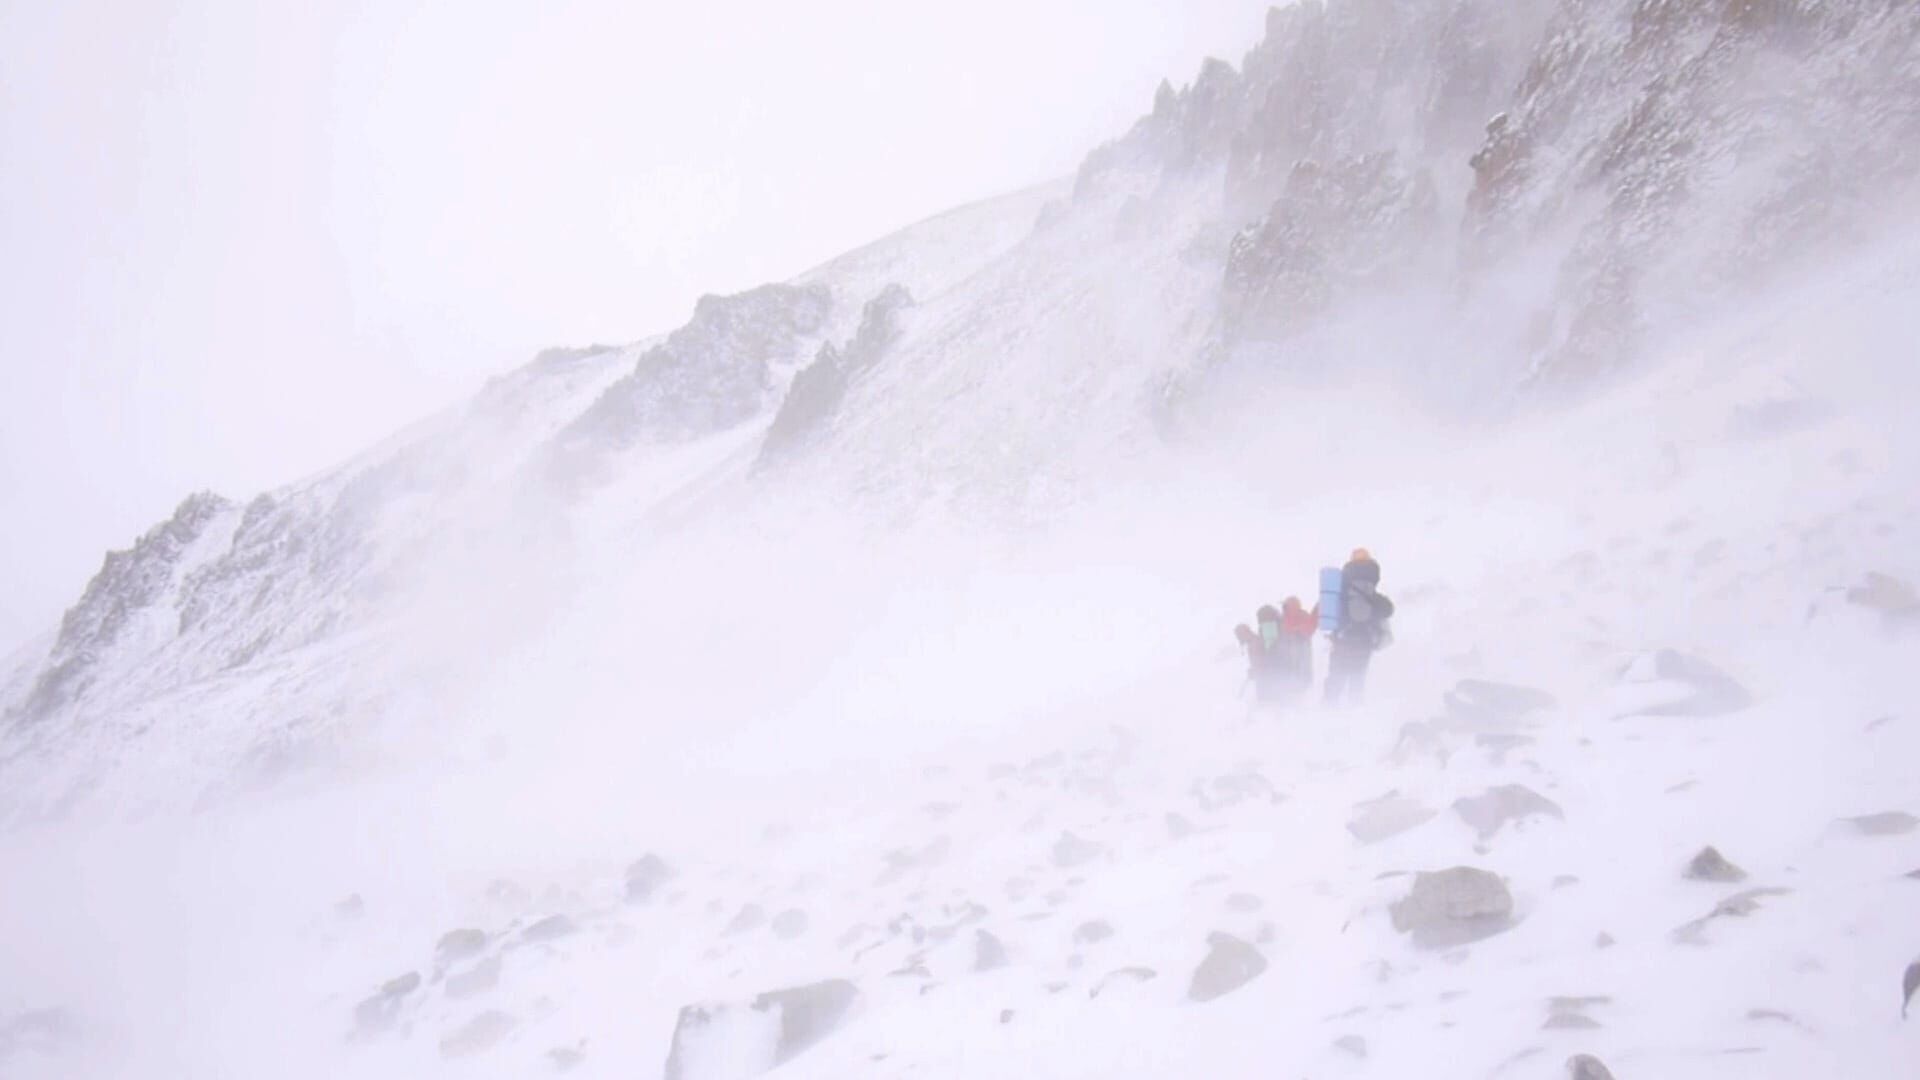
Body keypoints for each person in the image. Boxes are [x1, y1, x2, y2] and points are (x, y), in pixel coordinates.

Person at [1324, 549, 1394, 707]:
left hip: (1343, 641)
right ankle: (1354, 715)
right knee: (1357, 680)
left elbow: (1331, 613)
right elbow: (1388, 609)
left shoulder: (1341, 592)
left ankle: (1327, 713)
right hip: (1364, 643)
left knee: (1336, 679)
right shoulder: (1372, 595)